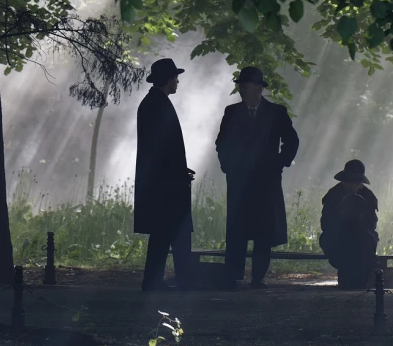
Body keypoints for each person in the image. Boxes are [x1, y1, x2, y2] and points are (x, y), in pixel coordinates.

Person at [215, 66, 299, 289]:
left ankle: (258, 277)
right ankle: (233, 276)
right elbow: (221, 143)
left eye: (246, 85)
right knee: (237, 230)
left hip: (266, 182)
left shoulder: (276, 112)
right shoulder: (232, 112)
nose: (242, 89)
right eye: (241, 86)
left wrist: (279, 164)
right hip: (239, 181)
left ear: (259, 88)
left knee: (264, 230)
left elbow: (292, 141)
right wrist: (228, 167)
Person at [134, 58, 196, 292]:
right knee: (168, 232)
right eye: (176, 77)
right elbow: (162, 147)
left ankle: (160, 279)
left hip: (164, 180)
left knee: (164, 233)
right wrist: (178, 171)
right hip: (165, 184)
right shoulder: (157, 105)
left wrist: (180, 170)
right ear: (169, 80)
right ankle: (167, 280)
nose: (178, 81)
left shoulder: (153, 103)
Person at [319, 160, 379, 289]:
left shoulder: (368, 197)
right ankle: (347, 275)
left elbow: (371, 224)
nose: (352, 186)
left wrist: (359, 218)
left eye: (356, 183)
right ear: (344, 181)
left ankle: (362, 277)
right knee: (339, 242)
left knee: (366, 239)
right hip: (338, 238)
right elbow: (326, 224)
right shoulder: (333, 196)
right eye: (349, 182)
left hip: (361, 239)